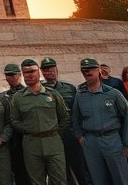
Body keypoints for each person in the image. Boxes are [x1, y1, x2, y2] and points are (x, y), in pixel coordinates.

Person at [72, 58, 128, 184]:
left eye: (91, 69)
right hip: (91, 142)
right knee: (98, 179)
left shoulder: (113, 93)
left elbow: (127, 117)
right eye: (84, 70)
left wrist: (127, 144)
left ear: (99, 70)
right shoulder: (80, 95)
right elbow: (75, 117)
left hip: (112, 140)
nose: (87, 72)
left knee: (120, 178)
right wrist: (80, 136)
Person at [10, 58, 68, 185]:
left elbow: (64, 117)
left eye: (32, 71)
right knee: (36, 181)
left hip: (53, 143)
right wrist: (29, 129)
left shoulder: (53, 94)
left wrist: (55, 132)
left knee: (59, 180)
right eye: (26, 72)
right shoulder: (18, 98)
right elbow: (14, 121)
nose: (29, 75)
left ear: (39, 72)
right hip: (31, 144)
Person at [40, 57, 90, 185]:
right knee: (62, 170)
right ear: (42, 72)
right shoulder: (39, 90)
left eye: (51, 68)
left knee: (81, 167)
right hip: (53, 135)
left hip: (71, 133)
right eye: (45, 69)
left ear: (56, 69)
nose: (49, 71)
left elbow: (77, 111)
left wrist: (80, 132)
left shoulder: (69, 88)